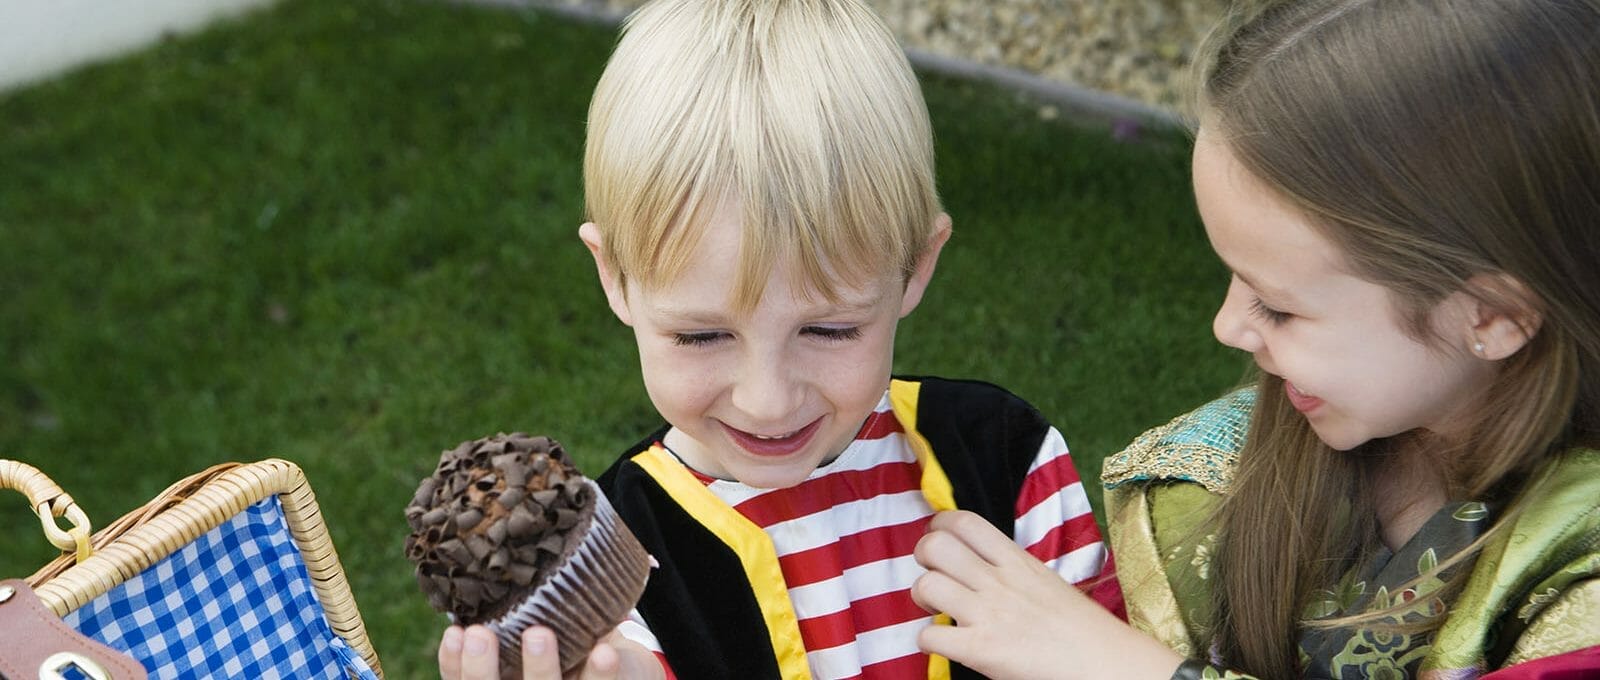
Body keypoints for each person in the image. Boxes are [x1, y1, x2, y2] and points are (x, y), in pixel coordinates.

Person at [911, 0, 1600, 678]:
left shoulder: (1582, 578)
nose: (1228, 326)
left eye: (1278, 306)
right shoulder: (1215, 476)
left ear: (1490, 316)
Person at [437, 0, 1123, 678]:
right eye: (702, 336)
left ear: (916, 265)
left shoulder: (1004, 458)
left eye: (829, 329)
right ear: (615, 278)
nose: (767, 402)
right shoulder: (614, 557)